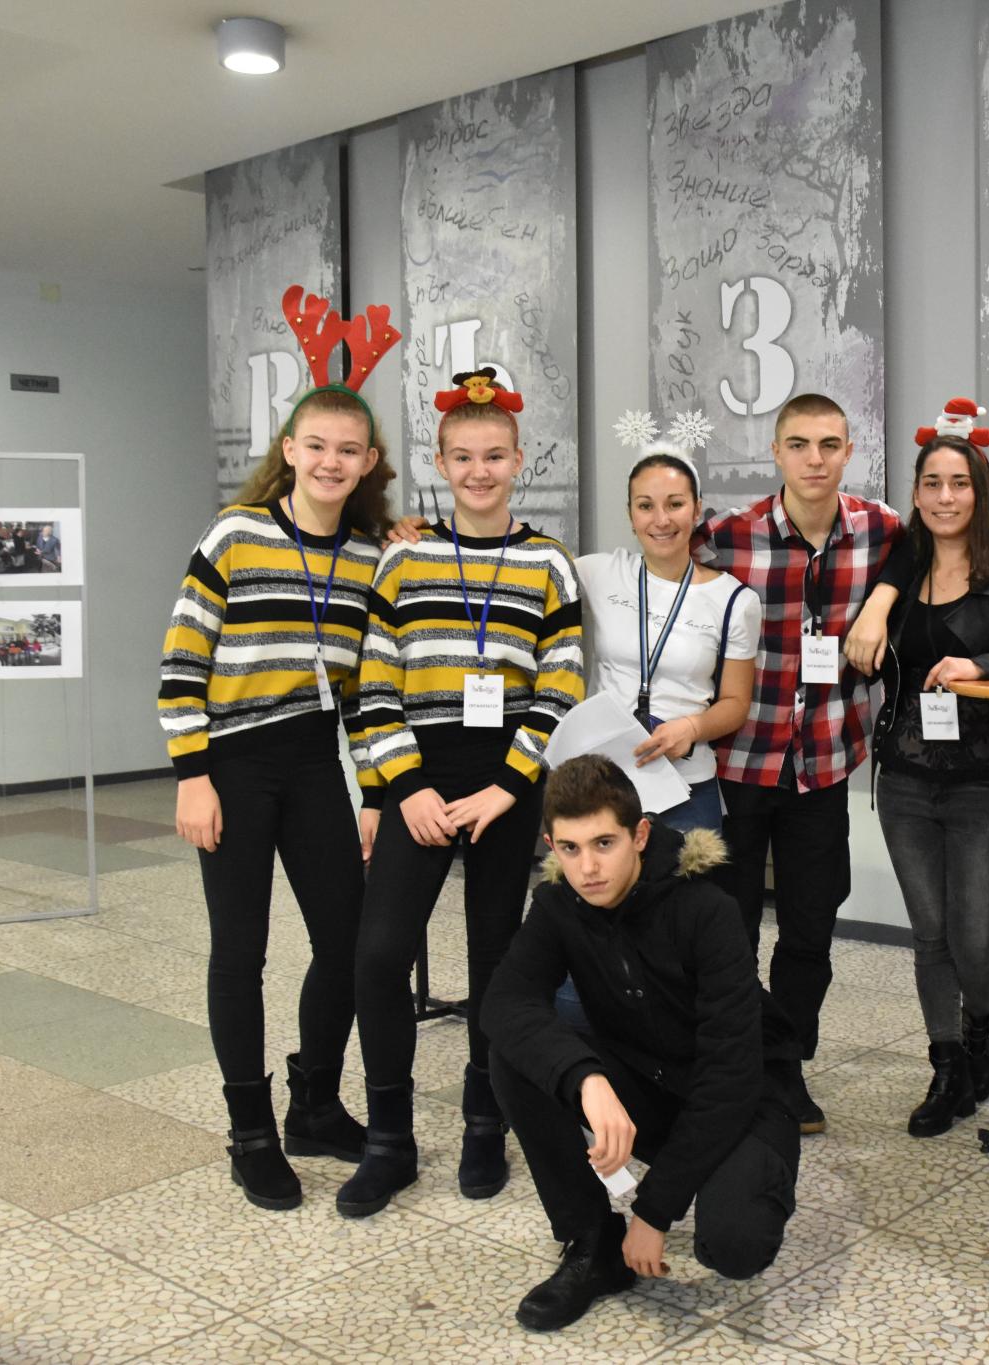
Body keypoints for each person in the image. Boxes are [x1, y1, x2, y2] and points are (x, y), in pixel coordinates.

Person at [157, 285, 400, 1212]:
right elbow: (182, 660)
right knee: (241, 950)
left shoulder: (369, 557)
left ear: (368, 461)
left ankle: (314, 1103)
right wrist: (192, 775)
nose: (332, 461)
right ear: (290, 450)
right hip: (232, 762)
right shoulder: (236, 534)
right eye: (316, 445)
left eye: (349, 449)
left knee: (348, 942)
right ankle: (250, 1133)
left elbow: (370, 688)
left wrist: (373, 791)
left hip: (313, 764)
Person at [345, 368, 585, 1216]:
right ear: (440, 463)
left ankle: (489, 1117)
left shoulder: (547, 563)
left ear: (519, 460)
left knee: (496, 958)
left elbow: (560, 686)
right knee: (379, 953)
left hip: (506, 781)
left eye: (494, 456)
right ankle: (390, 1138)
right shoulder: (405, 556)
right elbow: (374, 684)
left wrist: (508, 787)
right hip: (421, 772)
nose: (479, 471)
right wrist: (403, 786)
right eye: (462, 457)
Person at [482, 754, 800, 1332]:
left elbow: (730, 1078)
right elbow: (505, 1003)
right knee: (515, 1055)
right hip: (648, 1083)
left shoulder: (707, 908)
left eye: (604, 844)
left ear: (640, 835)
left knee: (735, 1244)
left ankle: (739, 1180)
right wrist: (587, 1079)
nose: (587, 868)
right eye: (570, 848)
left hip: (745, 1099)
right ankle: (592, 1243)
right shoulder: (558, 903)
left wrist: (653, 1212)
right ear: (551, 845)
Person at [845, 401, 989, 1136]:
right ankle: (945, 1062)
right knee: (929, 933)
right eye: (932, 484)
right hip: (906, 780)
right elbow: (869, 658)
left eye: (959, 483)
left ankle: (979, 1029)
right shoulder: (899, 571)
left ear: (980, 491)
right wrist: (865, 635)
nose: (945, 497)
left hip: (983, 779)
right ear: (916, 494)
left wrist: (982, 667)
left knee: (974, 938)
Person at [697, 392, 902, 1137]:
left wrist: (880, 601)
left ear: (850, 450)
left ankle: (784, 1062)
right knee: (731, 930)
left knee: (810, 929)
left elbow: (941, 542)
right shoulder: (728, 536)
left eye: (829, 444)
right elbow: (652, 545)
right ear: (776, 451)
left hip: (823, 764)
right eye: (799, 444)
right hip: (738, 765)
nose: (815, 459)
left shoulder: (881, 530)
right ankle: (738, 1064)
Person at [576, 435, 760, 833]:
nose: (661, 520)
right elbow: (528, 573)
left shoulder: (735, 600)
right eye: (646, 506)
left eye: (675, 504)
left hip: (686, 785)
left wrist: (691, 728)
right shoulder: (598, 573)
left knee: (688, 876)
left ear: (696, 509)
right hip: (604, 781)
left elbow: (735, 702)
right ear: (630, 514)